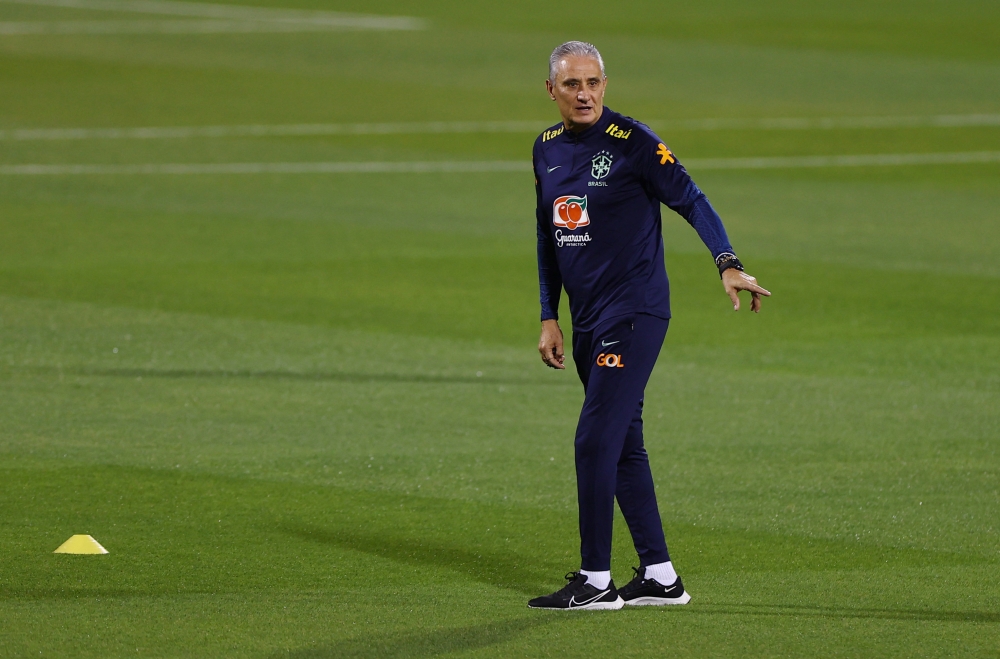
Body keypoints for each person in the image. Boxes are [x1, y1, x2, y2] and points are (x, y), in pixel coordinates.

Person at [527, 41, 770, 611]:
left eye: (593, 82)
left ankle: (594, 580)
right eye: (571, 85)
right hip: (586, 319)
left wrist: (726, 262)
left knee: (594, 438)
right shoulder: (545, 151)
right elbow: (548, 237)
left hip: (634, 312)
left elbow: (691, 198)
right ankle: (660, 576)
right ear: (551, 91)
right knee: (623, 442)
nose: (584, 94)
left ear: (605, 85)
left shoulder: (634, 144)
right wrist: (548, 315)